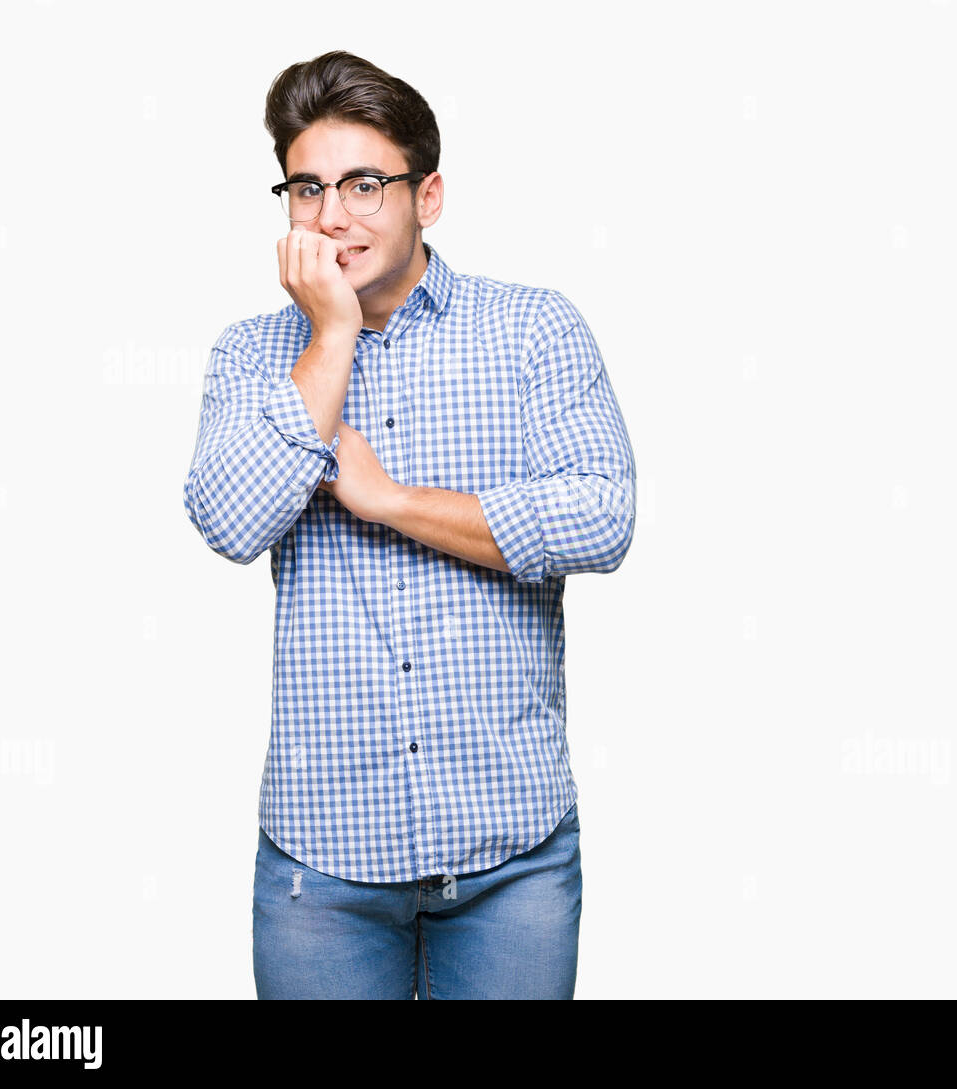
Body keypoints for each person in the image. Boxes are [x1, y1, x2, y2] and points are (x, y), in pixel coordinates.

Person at [181, 50, 636, 999]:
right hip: (324, 863)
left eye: (363, 183)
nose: (332, 213)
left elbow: (602, 517)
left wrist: (391, 503)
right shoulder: (253, 354)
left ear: (427, 195)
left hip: (510, 851)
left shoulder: (533, 330)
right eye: (307, 187)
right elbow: (228, 519)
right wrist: (332, 333)